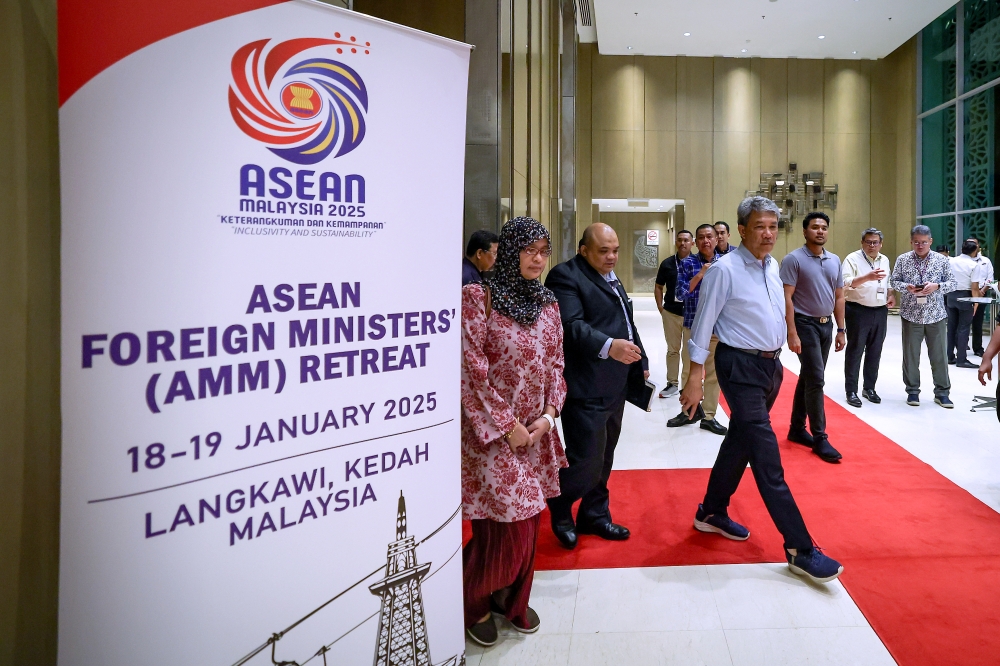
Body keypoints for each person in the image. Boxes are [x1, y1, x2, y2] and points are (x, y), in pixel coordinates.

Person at [679, 196, 844, 584]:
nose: (768, 234)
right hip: (739, 367)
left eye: (773, 226)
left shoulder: (774, 268)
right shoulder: (725, 270)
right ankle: (799, 548)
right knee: (768, 458)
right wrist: (694, 374)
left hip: (771, 367)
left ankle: (710, 511)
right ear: (741, 230)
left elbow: (781, 308)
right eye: (760, 227)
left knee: (740, 442)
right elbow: (703, 324)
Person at [460, 217, 567, 646]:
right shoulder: (477, 296)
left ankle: (509, 598)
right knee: (505, 526)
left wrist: (549, 415)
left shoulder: (547, 304)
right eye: (529, 250)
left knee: (528, 524)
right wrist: (508, 427)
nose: (538, 259)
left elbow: (556, 364)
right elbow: (470, 368)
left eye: (544, 251)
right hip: (491, 435)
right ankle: (472, 601)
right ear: (509, 251)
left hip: (536, 435)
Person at [545, 223, 649, 549]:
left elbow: (624, 319)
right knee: (586, 460)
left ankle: (594, 514)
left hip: (615, 382)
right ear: (583, 250)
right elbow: (571, 326)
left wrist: (640, 358)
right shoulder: (565, 277)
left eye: (615, 250)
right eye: (603, 251)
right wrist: (609, 345)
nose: (612, 256)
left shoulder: (610, 277)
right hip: (585, 383)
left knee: (604, 456)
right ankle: (560, 505)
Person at [780, 212, 845, 463]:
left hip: (826, 325)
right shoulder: (793, 260)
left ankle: (797, 429)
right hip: (804, 324)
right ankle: (820, 438)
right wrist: (792, 332)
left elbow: (839, 296)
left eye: (824, 227)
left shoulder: (834, 260)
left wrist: (841, 329)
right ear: (805, 231)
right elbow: (786, 298)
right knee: (816, 379)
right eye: (815, 227)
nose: (820, 231)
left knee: (809, 377)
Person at [668, 224, 727, 435]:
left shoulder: (725, 264)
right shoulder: (687, 263)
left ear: (716, 239)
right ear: (696, 242)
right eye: (701, 237)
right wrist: (701, 274)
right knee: (688, 371)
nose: (706, 241)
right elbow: (681, 294)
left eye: (709, 237)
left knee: (713, 373)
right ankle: (687, 412)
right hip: (693, 325)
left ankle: (709, 416)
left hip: (717, 328)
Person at [889, 225, 957, 407]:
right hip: (911, 314)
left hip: (936, 315)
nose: (920, 246)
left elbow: (953, 283)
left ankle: (942, 392)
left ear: (931, 242)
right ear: (911, 242)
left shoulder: (941, 261)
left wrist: (937, 286)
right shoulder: (903, 259)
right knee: (911, 356)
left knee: (939, 356)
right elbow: (894, 281)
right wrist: (907, 288)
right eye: (916, 242)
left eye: (924, 243)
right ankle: (912, 391)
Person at [841, 228, 895, 406]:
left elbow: (887, 281)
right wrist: (867, 277)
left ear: (881, 244)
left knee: (875, 351)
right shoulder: (852, 258)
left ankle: (869, 388)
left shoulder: (884, 259)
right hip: (858, 310)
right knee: (855, 351)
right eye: (868, 242)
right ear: (862, 243)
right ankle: (851, 391)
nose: (872, 245)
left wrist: (891, 294)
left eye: (875, 242)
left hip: (880, 310)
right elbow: (845, 283)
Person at [654, 230, 693, 398]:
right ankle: (672, 384)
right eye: (680, 240)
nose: (683, 243)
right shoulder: (668, 263)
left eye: (686, 240)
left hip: (691, 314)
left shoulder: (697, 263)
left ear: (692, 243)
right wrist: (661, 309)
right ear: (676, 242)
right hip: (671, 312)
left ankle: (688, 386)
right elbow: (658, 286)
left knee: (689, 352)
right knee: (673, 350)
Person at [946, 240, 981, 369]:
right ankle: (961, 358)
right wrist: (976, 302)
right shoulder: (973, 265)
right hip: (965, 296)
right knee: (964, 328)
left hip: (951, 295)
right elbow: (975, 287)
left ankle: (949, 356)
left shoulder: (951, 261)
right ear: (974, 251)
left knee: (951, 327)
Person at [971, 237, 994, 357]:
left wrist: (982, 290)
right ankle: (960, 346)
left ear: (978, 246)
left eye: (974, 244)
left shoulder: (985, 261)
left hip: (982, 294)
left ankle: (978, 347)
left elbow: (990, 278)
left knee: (977, 322)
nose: (973, 246)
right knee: (962, 323)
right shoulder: (962, 261)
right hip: (967, 294)